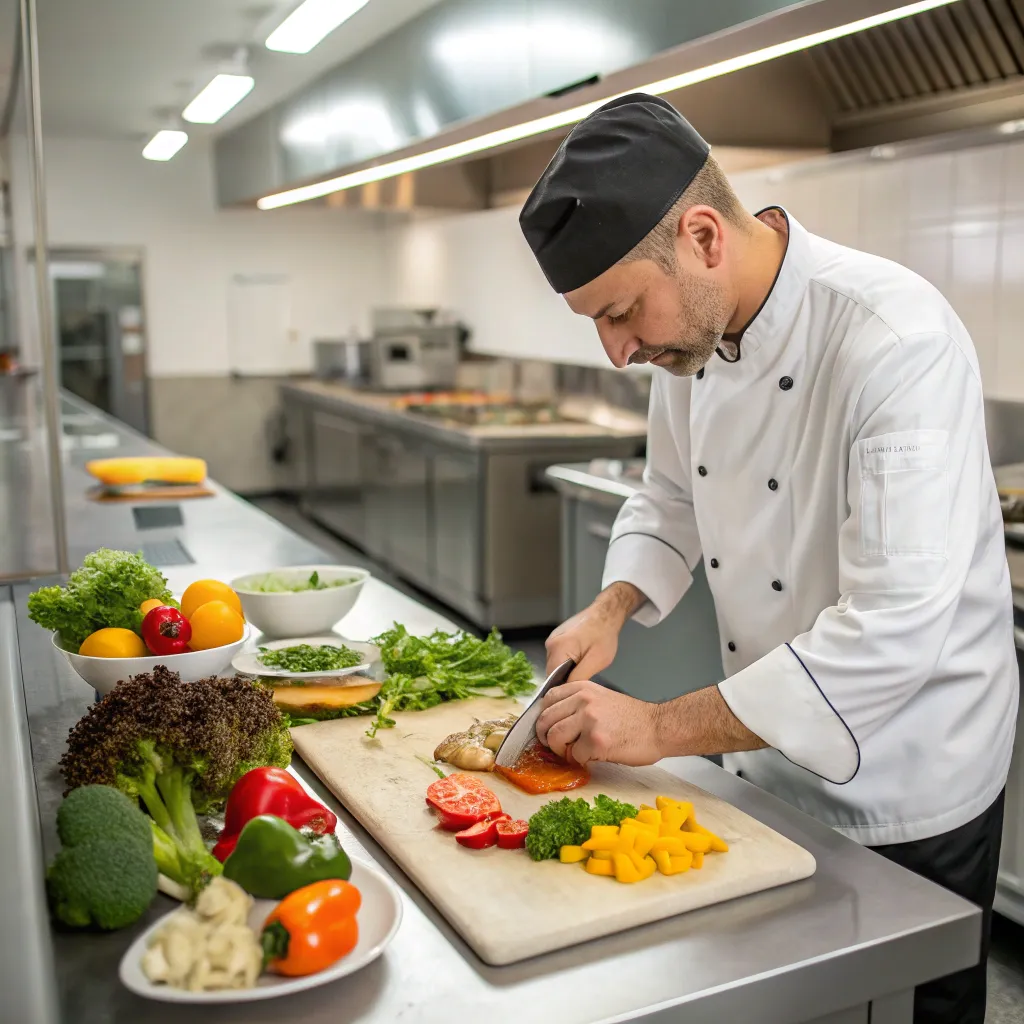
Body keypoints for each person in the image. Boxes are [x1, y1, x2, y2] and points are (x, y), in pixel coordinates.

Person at [518, 92, 1017, 1024]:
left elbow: (889, 633)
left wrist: (655, 730)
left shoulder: (892, 339)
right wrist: (612, 605)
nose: (618, 349)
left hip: (910, 774)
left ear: (704, 237)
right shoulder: (694, 344)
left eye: (622, 310)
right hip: (769, 755)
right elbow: (670, 494)